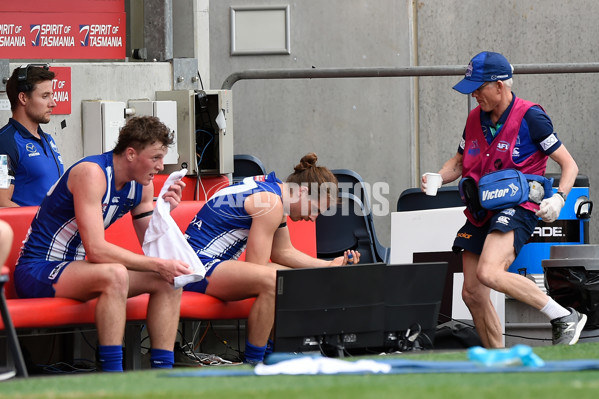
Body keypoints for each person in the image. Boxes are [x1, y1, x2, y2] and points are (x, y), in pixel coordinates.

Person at [422, 51, 585, 348]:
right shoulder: (474, 118)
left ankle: (563, 315)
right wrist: (438, 176)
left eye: (478, 88)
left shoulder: (531, 115)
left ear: (499, 85)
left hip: (517, 206)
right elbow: (458, 163)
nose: (474, 96)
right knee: (472, 292)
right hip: (480, 210)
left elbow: (569, 164)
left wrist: (560, 198)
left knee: (489, 272)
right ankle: (498, 360)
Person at [14, 116, 192, 371]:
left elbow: (152, 243)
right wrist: (156, 264)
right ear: (131, 154)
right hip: (37, 270)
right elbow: (96, 250)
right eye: (155, 158)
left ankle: (162, 374)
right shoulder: (92, 173)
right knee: (116, 274)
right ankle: (112, 375)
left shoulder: (142, 186)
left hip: (78, 271)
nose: (161, 166)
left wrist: (165, 212)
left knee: (170, 278)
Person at [184, 153, 360, 364]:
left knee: (287, 279)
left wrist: (329, 265)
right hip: (196, 268)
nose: (313, 218)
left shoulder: (274, 192)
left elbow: (282, 252)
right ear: (303, 192)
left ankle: (277, 354)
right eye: (315, 210)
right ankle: (256, 364)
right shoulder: (271, 204)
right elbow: (257, 268)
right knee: (274, 281)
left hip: (206, 264)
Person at [0, 64, 64, 207]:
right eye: (45, 96)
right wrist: (40, 223)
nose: (53, 103)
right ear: (23, 98)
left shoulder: (48, 139)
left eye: (52, 95)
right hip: (28, 229)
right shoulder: (5, 143)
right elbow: (2, 202)